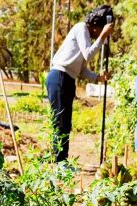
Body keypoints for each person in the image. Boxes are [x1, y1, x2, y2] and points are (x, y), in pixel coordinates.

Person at [47, 5, 114, 164]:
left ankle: (62, 161)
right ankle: (59, 163)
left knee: (65, 123)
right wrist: (103, 36)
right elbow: (88, 54)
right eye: (101, 29)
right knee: (60, 122)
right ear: (96, 25)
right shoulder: (81, 28)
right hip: (59, 77)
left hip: (68, 79)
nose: (100, 32)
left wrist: (98, 78)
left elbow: (81, 70)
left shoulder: (87, 37)